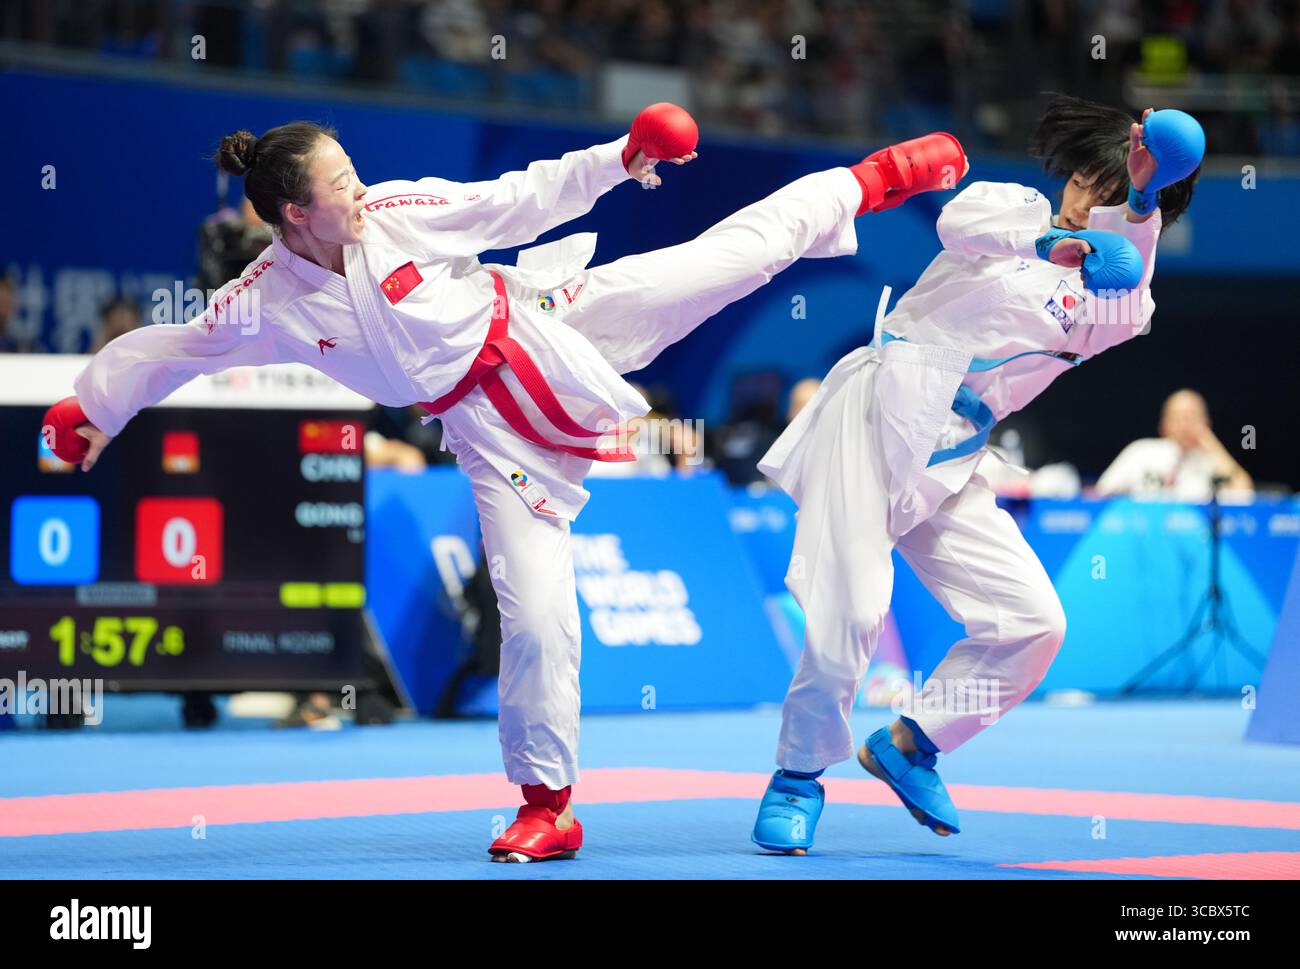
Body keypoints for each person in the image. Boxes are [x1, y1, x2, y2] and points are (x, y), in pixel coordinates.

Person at [41, 106, 967, 862]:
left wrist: (624, 155)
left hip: (550, 327)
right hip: (490, 436)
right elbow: (178, 347)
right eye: (340, 185)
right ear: (293, 215)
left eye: (355, 171)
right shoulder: (264, 299)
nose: (360, 189)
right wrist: (90, 409)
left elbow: (517, 200)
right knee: (535, 615)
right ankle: (546, 802)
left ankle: (874, 178)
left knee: (727, 259)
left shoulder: (396, 209)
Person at [751, 94, 1201, 854]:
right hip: (878, 410)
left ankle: (912, 742)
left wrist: (1147, 200)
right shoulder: (1013, 211)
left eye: (1112, 189)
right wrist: (1053, 238)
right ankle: (797, 776)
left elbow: (1131, 300)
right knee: (853, 611)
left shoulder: (1109, 298)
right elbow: (959, 223)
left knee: (1033, 622)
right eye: (1090, 177)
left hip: (952, 453)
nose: (1091, 194)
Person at [1095, 388, 1253, 500]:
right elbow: (1100, 494)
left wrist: (1210, 443)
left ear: (1207, 422)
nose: (1185, 424)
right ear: (1163, 426)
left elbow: (1244, 494)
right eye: (1178, 417)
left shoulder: (1213, 463)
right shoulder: (1141, 451)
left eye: (1192, 416)